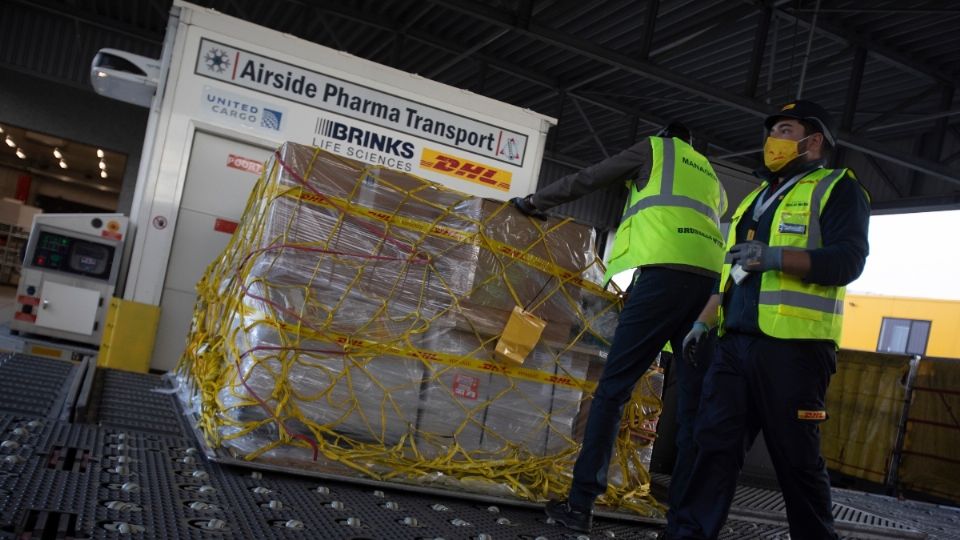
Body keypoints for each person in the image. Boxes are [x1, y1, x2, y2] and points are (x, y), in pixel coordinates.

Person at [667, 100, 871, 540]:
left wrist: (775, 257)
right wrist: (703, 322)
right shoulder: (755, 200)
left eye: (783, 128)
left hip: (795, 352)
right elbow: (730, 275)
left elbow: (849, 261)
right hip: (734, 345)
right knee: (712, 450)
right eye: (771, 131)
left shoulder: (838, 188)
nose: (771, 140)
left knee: (796, 461)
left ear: (813, 140)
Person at [512, 123, 727, 533]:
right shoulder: (711, 176)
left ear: (664, 135)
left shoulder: (655, 149)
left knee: (613, 390)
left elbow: (591, 177)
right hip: (707, 289)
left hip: (662, 279)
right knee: (694, 407)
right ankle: (684, 519)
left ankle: (580, 505)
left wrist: (535, 201)